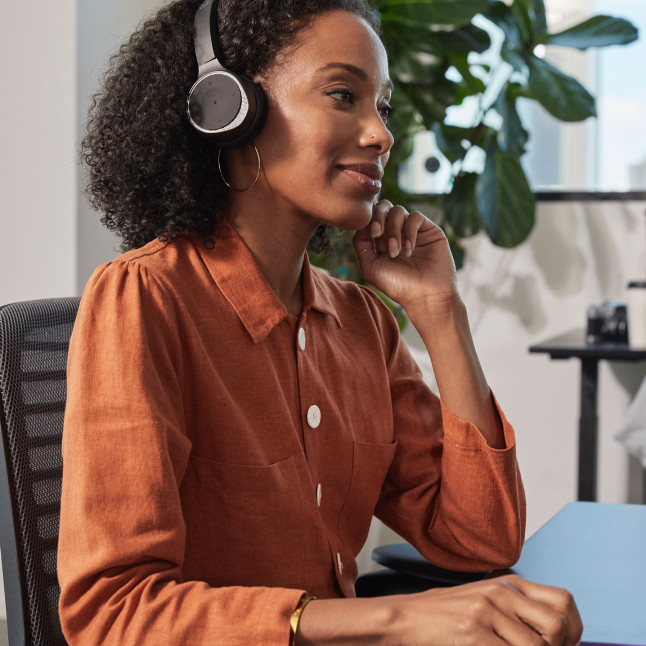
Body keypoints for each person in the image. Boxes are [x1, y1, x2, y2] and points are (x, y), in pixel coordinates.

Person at [58, 0, 583, 643]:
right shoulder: (145, 300)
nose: (381, 134)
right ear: (231, 109)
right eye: (343, 95)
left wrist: (440, 315)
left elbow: (482, 538)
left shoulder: (361, 321)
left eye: (382, 107)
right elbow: (112, 615)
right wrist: (392, 619)